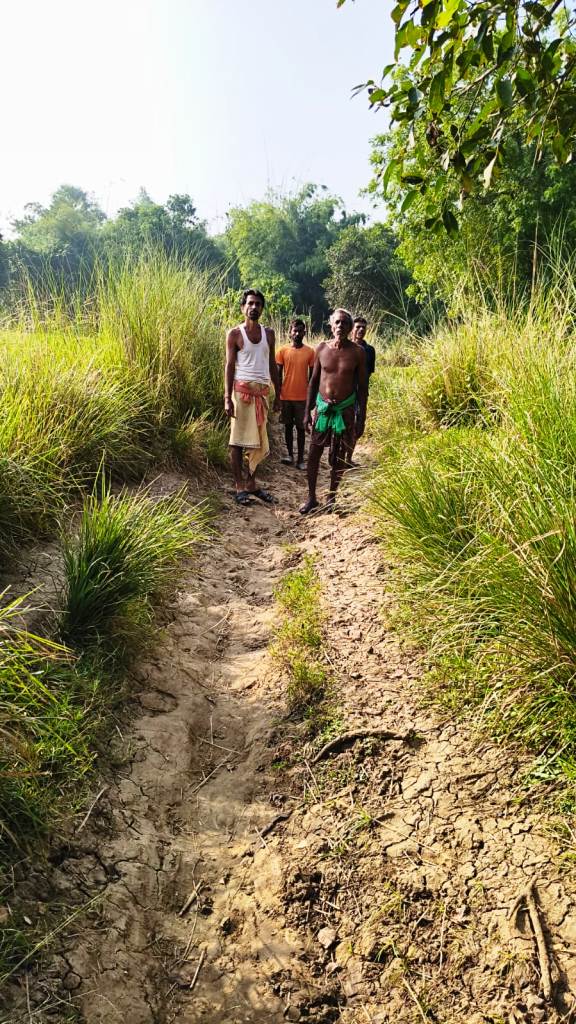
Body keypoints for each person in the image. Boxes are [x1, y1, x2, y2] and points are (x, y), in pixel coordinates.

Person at [299, 308, 367, 515]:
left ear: (350, 327)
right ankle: (311, 498)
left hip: (344, 410)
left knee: (339, 455)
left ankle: (331, 497)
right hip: (323, 409)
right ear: (331, 324)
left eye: (345, 323)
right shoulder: (321, 348)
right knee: (314, 453)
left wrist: (361, 417)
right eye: (337, 322)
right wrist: (307, 411)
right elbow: (313, 382)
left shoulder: (358, 353)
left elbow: (363, 388)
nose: (340, 327)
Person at [224, 288, 281, 506]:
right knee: (237, 441)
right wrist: (227, 398)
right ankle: (239, 485)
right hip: (242, 393)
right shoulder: (235, 334)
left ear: (262, 308)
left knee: (257, 441)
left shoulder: (269, 334)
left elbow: (271, 366)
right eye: (250, 303)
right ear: (243, 307)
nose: (254, 307)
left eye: (258, 304)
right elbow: (229, 366)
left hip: (262, 394)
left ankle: (252, 483)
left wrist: (279, 394)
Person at [276, 319, 315, 470]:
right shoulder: (282, 351)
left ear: (305, 333)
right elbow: (278, 375)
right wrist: (278, 396)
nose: (297, 334)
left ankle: (300, 459)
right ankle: (289, 455)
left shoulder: (310, 352)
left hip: (302, 398)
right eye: (295, 331)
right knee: (287, 426)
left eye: (300, 331)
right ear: (290, 332)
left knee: (301, 428)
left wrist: (311, 399)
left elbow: (313, 377)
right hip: (286, 396)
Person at [347, 315, 376, 466]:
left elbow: (368, 373)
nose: (361, 330)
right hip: (344, 392)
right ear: (352, 329)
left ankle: (348, 458)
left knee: (357, 424)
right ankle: (337, 456)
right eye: (357, 327)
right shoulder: (346, 347)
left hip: (360, 393)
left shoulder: (369, 350)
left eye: (363, 327)